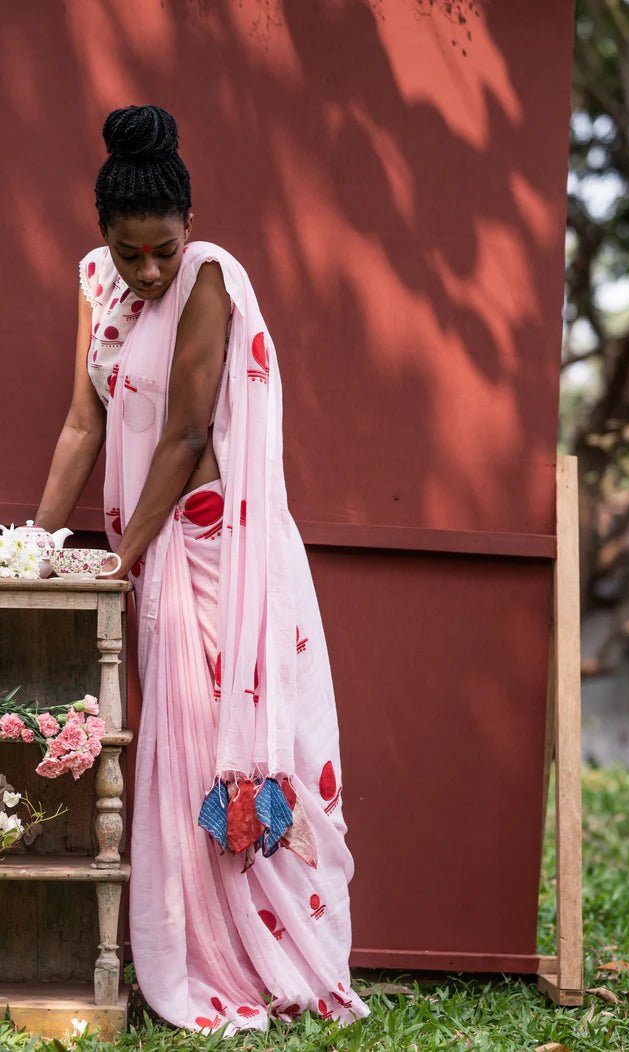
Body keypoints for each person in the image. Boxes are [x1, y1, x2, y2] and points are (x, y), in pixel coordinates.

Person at [35, 104, 368, 1033]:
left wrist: (116, 560)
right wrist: (35, 546)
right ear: (104, 234)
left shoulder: (211, 278)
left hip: (216, 549)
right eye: (132, 252)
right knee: (178, 757)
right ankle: (201, 950)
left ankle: (274, 965)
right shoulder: (97, 285)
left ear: (189, 226)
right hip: (152, 552)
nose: (148, 271)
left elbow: (183, 436)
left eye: (163, 251)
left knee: (237, 750)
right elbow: (81, 424)